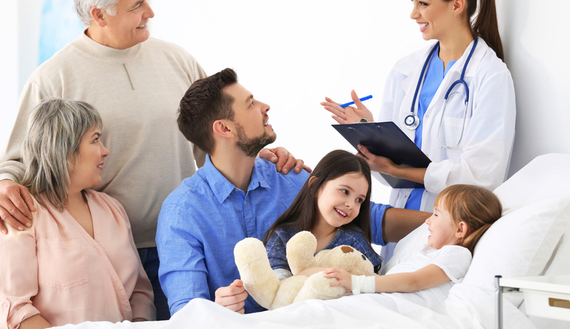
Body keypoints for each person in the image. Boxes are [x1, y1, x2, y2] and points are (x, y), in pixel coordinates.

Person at [0, 0, 304, 320]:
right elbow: (16, 161)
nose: (150, 12)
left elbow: (217, 133)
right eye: (137, 5)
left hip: (186, 245)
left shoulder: (177, 60)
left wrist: (257, 155)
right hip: (111, 257)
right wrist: (0, 187)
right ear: (99, 14)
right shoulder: (54, 77)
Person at [157, 69, 426, 315]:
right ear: (224, 128)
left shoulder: (287, 176)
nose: (265, 107)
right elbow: (185, 312)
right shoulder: (181, 212)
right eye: (251, 103)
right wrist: (216, 308)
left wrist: (453, 220)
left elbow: (369, 218)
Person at [321, 0, 515, 259]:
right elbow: (389, 171)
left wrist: (401, 169)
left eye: (423, 3)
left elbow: (481, 178)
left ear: (457, 5)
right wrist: (372, 131)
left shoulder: (490, 76)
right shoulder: (406, 70)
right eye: (413, 2)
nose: (414, 14)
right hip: (399, 227)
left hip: (449, 230)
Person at [0, 99, 155, 328]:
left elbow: (140, 293)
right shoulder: (20, 215)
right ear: (64, 149)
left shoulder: (113, 210)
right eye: (95, 139)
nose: (106, 151)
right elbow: (15, 311)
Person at [324, 184, 501, 309]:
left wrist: (357, 283)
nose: (428, 220)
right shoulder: (430, 252)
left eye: (436, 215)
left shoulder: (457, 254)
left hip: (398, 308)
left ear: (460, 229)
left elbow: (413, 281)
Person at [264, 150, 382, 280]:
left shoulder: (354, 241)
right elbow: (277, 288)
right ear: (315, 186)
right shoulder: (282, 236)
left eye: (359, 200)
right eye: (345, 191)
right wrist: (314, 274)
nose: (351, 205)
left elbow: (372, 282)